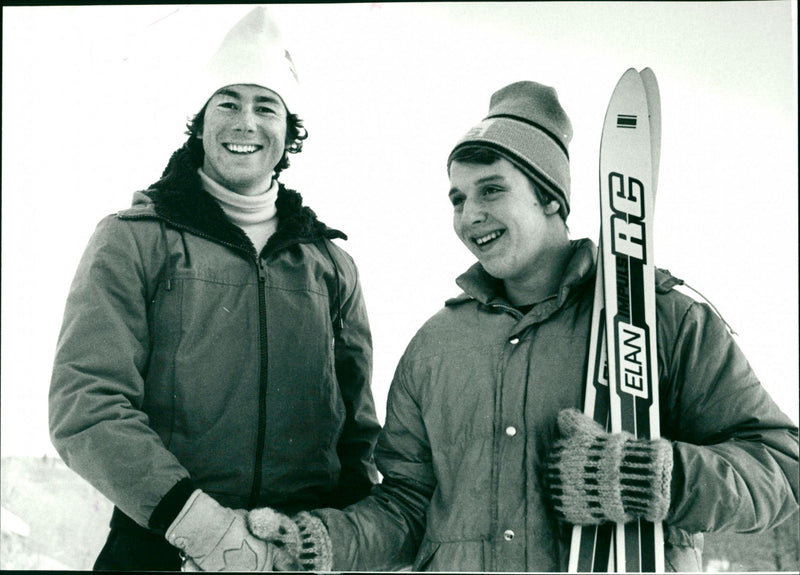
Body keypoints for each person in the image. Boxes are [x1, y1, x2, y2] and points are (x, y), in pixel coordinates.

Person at [244, 80, 799, 572]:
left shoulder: (663, 318)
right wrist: (322, 541)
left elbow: (780, 465)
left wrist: (656, 476)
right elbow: (409, 506)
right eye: (457, 199)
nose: (469, 215)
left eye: (491, 190)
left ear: (551, 197)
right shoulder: (437, 344)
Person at [48, 7, 379, 571]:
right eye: (227, 102)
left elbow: (356, 435)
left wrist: (340, 538)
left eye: (265, 105)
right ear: (200, 123)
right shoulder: (133, 240)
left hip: (291, 553)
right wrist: (203, 528)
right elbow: (87, 404)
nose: (245, 121)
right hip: (159, 545)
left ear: (287, 130)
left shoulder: (330, 264)